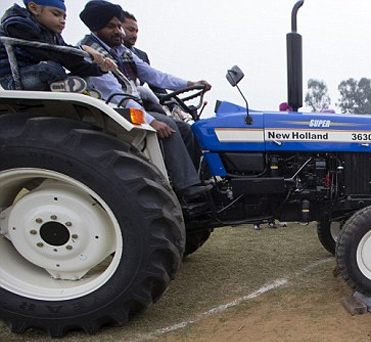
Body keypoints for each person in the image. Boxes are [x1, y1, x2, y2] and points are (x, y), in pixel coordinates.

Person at [78, 0, 212, 200]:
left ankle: (197, 180)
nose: (118, 32)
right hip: (113, 109)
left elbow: (154, 75)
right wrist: (152, 121)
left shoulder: (123, 52)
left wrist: (189, 83)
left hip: (132, 106)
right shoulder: (91, 54)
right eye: (111, 27)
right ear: (96, 28)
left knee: (185, 128)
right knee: (167, 126)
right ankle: (186, 188)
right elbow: (118, 95)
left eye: (118, 26)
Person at [0, 0, 114, 91]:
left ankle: (78, 90)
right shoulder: (17, 24)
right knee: (51, 68)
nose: (62, 21)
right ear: (34, 9)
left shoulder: (53, 34)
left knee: (84, 78)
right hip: (15, 79)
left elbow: (71, 62)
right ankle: (67, 90)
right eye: (56, 14)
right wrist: (82, 48)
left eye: (64, 17)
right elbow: (46, 53)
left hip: (39, 75)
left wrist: (100, 68)